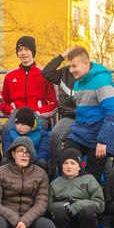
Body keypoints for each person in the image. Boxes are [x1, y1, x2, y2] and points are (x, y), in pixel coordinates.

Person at [64, 47, 114, 183]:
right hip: (79, 134)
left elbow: (113, 113)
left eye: (74, 66)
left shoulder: (102, 82)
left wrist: (103, 141)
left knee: (91, 177)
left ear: (86, 64)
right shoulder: (78, 83)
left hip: (98, 137)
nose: (71, 70)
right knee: (65, 162)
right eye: (70, 66)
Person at [1, 36, 58, 132]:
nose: (23, 52)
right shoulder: (10, 75)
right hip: (16, 115)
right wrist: (12, 111)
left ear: (33, 51)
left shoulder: (44, 74)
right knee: (6, 130)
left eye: (27, 49)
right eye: (20, 50)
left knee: (35, 131)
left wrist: (39, 112)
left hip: (38, 116)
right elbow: (3, 102)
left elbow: (54, 102)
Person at [47, 148, 104, 228]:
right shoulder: (54, 184)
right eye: (66, 163)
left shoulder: (89, 179)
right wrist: (63, 206)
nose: (68, 166)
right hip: (63, 221)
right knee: (59, 212)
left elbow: (100, 204)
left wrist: (77, 206)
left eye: (72, 163)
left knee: (88, 212)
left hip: (84, 221)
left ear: (79, 167)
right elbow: (48, 206)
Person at [42, 47, 78, 178]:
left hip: (87, 117)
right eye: (70, 61)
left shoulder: (90, 75)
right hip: (69, 117)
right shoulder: (64, 73)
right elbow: (46, 72)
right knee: (54, 135)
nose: (72, 67)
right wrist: (62, 55)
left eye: (76, 63)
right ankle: (55, 172)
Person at [2, 107, 49, 172]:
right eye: (17, 123)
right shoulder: (10, 132)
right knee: (4, 161)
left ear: (31, 125)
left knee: (42, 162)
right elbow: (7, 151)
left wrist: (28, 159)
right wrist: (19, 159)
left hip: (33, 161)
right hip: (15, 161)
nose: (19, 127)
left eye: (23, 124)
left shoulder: (42, 134)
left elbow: (43, 153)